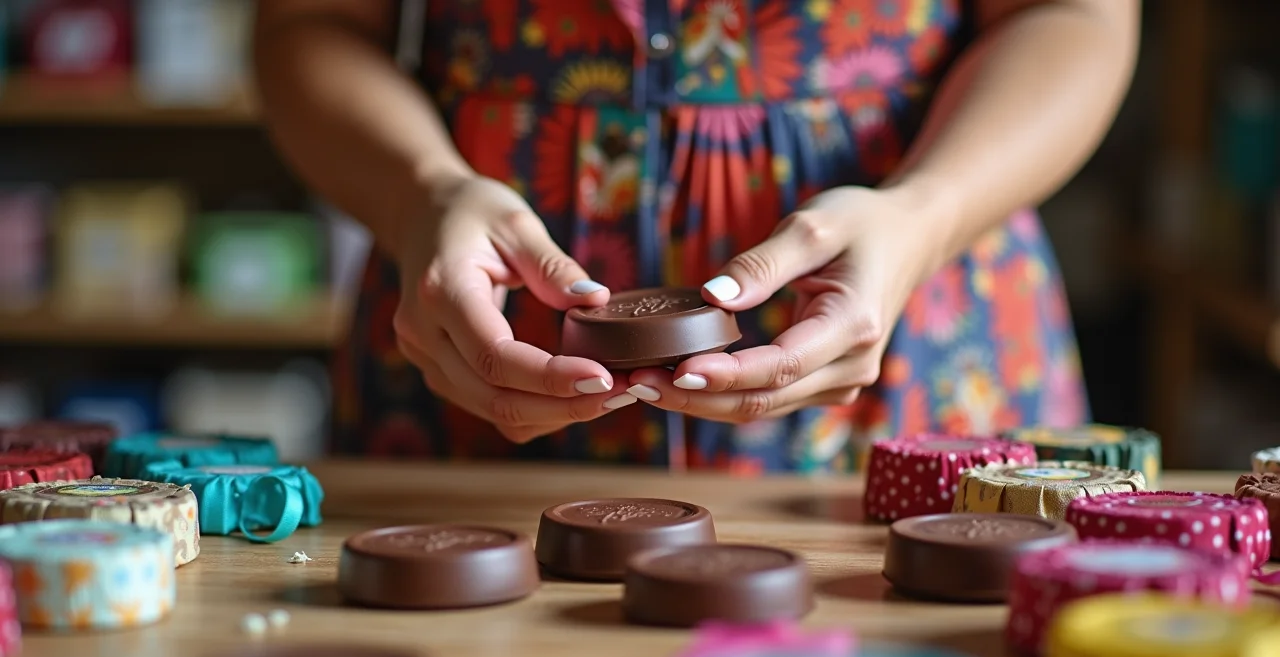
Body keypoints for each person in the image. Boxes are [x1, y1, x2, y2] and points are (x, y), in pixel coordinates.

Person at [254, 0, 1139, 473]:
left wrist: (926, 213)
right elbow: (309, 21)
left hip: (915, 343)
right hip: (469, 350)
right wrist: (421, 196)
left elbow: (1076, 13)